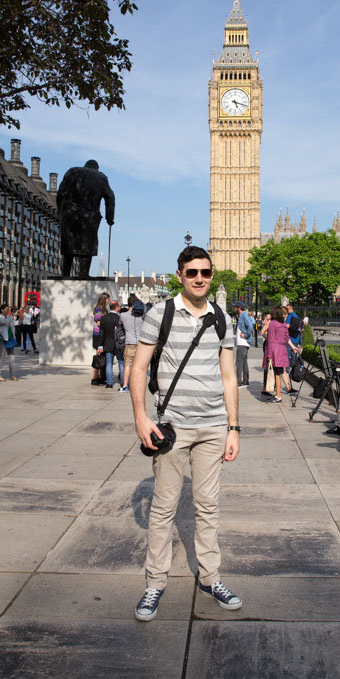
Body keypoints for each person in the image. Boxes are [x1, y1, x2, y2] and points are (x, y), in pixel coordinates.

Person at [129, 245, 241, 621]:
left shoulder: (222, 318)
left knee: (208, 507)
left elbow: (229, 377)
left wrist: (233, 427)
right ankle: (155, 583)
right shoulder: (159, 313)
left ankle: (210, 577)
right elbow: (139, 368)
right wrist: (141, 419)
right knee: (163, 509)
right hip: (173, 427)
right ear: (179, 275)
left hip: (212, 427)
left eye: (205, 273)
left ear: (212, 275)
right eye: (192, 272)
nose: (199, 278)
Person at [56, 159, 115, 278]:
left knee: (69, 243)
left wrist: (60, 211)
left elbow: (60, 193)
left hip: (69, 213)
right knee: (88, 244)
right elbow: (110, 198)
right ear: (97, 168)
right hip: (89, 215)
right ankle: (83, 273)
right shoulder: (101, 178)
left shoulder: (72, 172)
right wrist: (110, 218)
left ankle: (65, 273)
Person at [261, 305, 300, 403]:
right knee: (280, 372)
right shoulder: (283, 324)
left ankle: (278, 395)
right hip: (282, 351)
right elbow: (287, 338)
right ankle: (278, 394)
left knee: (277, 374)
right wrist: (293, 347)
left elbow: (271, 341)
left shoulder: (273, 324)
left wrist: (269, 355)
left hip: (274, 350)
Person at [121, 295, 145, 393]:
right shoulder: (142, 316)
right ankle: (137, 385)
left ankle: (125, 385)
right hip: (140, 344)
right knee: (139, 367)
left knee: (127, 365)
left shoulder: (123, 315)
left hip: (129, 343)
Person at [98, 300, 124, 389]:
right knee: (121, 363)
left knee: (109, 363)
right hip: (119, 344)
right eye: (119, 306)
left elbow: (102, 333)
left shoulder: (104, 318)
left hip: (108, 344)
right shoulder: (120, 318)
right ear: (116, 307)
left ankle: (109, 383)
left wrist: (100, 345)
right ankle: (123, 383)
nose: (120, 307)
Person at [233, 300, 253, 388]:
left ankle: (238, 382)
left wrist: (245, 335)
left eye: (236, 307)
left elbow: (251, 326)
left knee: (239, 362)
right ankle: (245, 381)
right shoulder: (241, 315)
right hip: (243, 342)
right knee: (244, 361)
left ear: (239, 308)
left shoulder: (244, 315)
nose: (234, 308)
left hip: (243, 342)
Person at [0, 304, 18, 382]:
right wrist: (12, 316)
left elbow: (15, 324)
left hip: (10, 339)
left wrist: (21, 319)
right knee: (1, 357)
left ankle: (12, 374)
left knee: (12, 358)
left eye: (9, 309)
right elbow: (4, 322)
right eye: (6, 309)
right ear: (2, 310)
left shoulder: (9, 317)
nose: (8, 310)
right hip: (2, 339)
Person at [92, 292, 110, 385]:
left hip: (99, 335)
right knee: (98, 356)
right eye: (108, 300)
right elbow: (99, 322)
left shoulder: (102, 309)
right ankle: (95, 377)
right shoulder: (99, 309)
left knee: (99, 356)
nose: (108, 302)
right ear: (104, 299)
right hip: (98, 335)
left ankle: (98, 376)